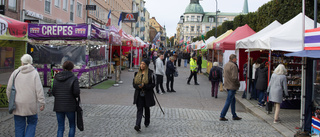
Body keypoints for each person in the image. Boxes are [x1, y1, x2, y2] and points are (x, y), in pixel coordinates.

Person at [6, 54, 45, 137]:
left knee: (19, 126)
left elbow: (9, 88)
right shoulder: (34, 73)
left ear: (22, 62)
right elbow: (39, 89)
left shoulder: (15, 73)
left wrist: (10, 100)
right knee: (32, 123)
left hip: (17, 104)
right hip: (31, 104)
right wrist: (42, 102)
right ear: (31, 62)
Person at [52, 61, 80, 137]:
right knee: (72, 125)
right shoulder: (73, 78)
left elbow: (53, 91)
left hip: (58, 105)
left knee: (60, 127)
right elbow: (76, 92)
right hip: (70, 105)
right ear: (72, 68)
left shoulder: (56, 78)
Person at [219, 54, 242, 121]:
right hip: (232, 85)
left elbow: (224, 74)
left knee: (232, 100)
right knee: (228, 101)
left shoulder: (226, 65)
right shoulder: (233, 66)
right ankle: (222, 115)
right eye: (236, 58)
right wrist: (238, 84)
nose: (236, 60)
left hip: (227, 84)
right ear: (233, 59)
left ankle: (234, 115)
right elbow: (234, 77)